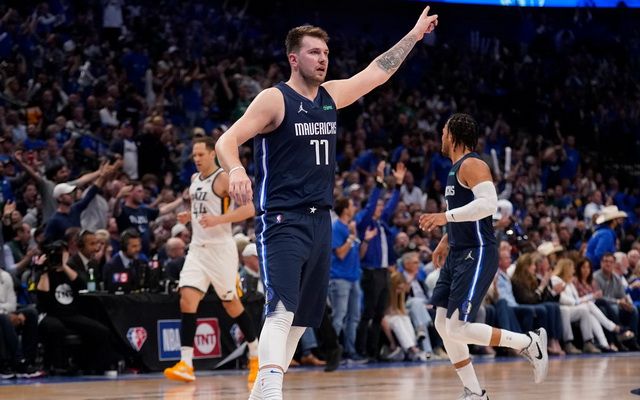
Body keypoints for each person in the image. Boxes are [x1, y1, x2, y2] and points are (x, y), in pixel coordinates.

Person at [215, 7, 438, 400]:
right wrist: (235, 169)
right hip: (282, 219)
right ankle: (271, 392)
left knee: (301, 320)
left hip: (321, 219)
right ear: (294, 58)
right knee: (280, 310)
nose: (322, 59)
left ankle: (261, 394)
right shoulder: (274, 99)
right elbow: (226, 140)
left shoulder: (330, 96)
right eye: (314, 52)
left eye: (325, 53)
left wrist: (414, 36)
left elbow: (377, 72)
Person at [418, 113, 548, 400]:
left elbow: (488, 205)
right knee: (442, 324)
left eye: (443, 132)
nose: (440, 137)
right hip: (458, 251)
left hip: (476, 252)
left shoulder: (473, 164)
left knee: (457, 327)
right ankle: (475, 393)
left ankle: (528, 342)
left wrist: (444, 217)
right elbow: (465, 212)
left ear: (453, 135)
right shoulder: (454, 169)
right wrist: (446, 238)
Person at [164, 137, 260, 387]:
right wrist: (189, 217)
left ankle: (255, 355)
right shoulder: (194, 179)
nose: (196, 159)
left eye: (200, 154)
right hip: (197, 248)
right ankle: (186, 363)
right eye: (194, 155)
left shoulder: (223, 178)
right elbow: (202, 210)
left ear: (212, 155)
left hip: (221, 249)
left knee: (231, 304)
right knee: (187, 298)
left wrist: (219, 220)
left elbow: (249, 209)